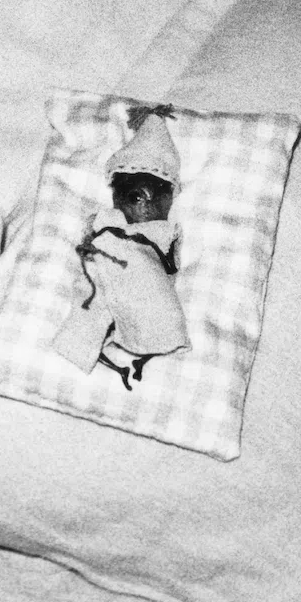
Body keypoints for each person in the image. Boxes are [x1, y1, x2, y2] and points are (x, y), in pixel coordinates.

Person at [52, 106, 190, 390]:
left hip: (144, 282)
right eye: (131, 196)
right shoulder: (109, 221)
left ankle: (144, 345)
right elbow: (92, 236)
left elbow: (167, 263)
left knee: (151, 305)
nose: (140, 207)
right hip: (105, 275)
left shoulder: (164, 231)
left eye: (148, 197)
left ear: (167, 199)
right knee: (92, 309)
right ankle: (97, 350)